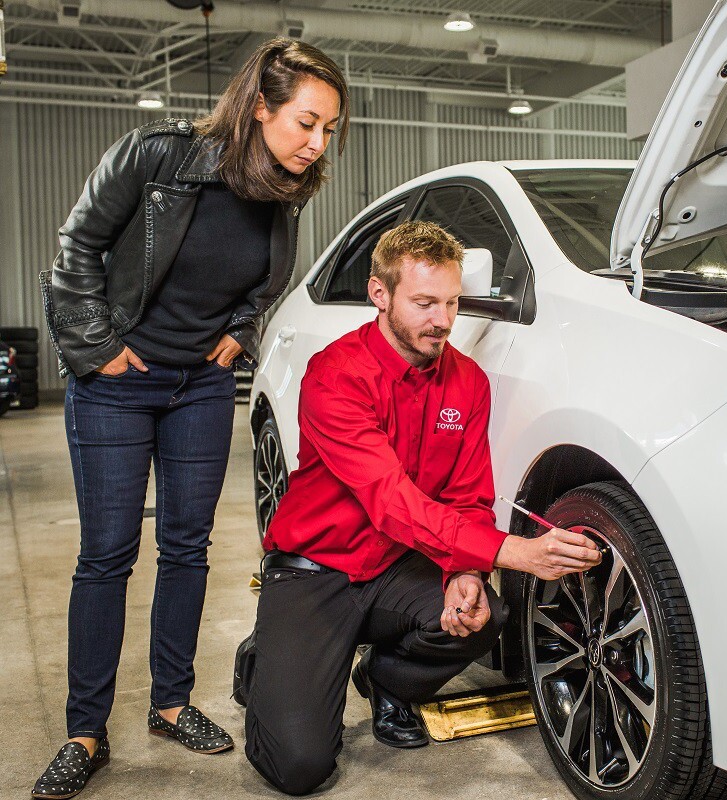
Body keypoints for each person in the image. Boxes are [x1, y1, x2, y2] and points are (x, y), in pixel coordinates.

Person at [34, 39, 349, 800]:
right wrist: (97, 348)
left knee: (187, 547)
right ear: (260, 107)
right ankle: (85, 731)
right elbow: (76, 250)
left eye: (329, 129)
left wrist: (238, 334)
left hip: (200, 388)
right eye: (307, 122)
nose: (316, 142)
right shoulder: (155, 156)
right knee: (108, 552)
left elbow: (263, 282)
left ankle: (170, 704)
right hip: (117, 383)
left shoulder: (284, 188)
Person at [243, 221, 603, 795]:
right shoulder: (335, 375)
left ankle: (389, 682)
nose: (442, 320)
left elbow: (468, 497)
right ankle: (269, 656)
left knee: (485, 614)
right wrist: (511, 552)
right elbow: (390, 500)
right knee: (298, 767)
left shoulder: (467, 384)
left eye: (453, 302)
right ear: (379, 294)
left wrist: (467, 570)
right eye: (424, 303)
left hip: (398, 568)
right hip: (317, 570)